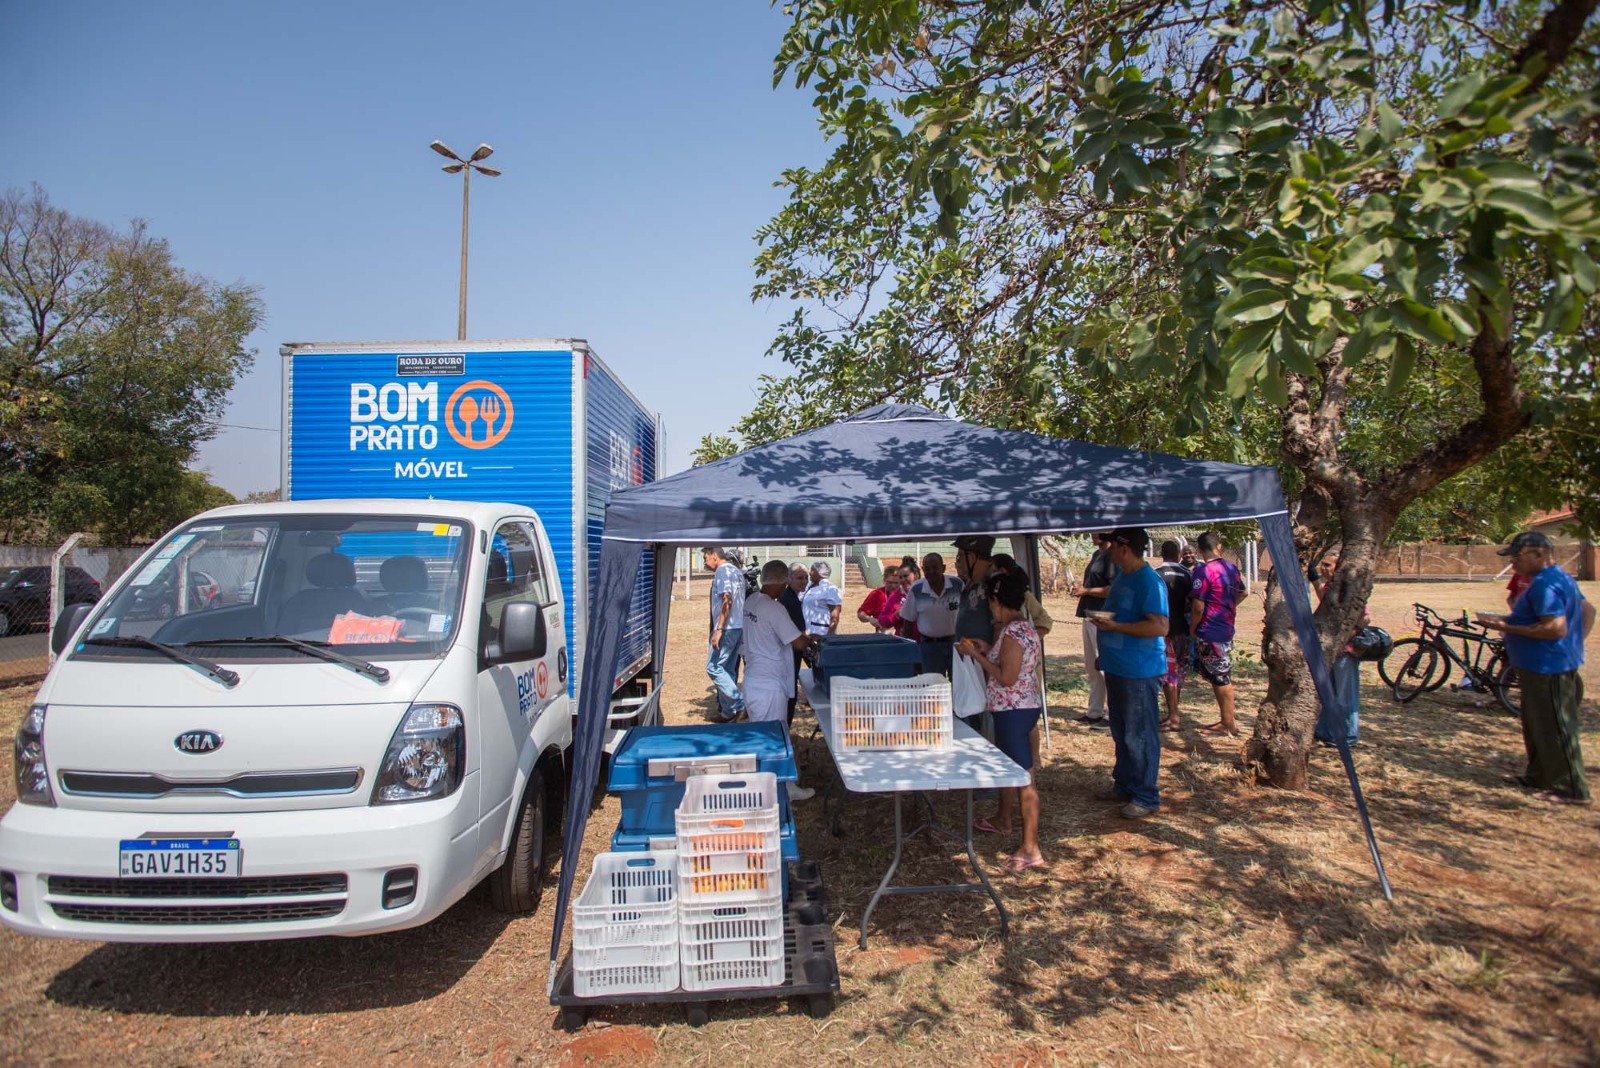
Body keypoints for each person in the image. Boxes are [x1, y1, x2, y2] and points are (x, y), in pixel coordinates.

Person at [1479, 532, 1594, 805]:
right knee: (1536, 725)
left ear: (1539, 554)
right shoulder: (1555, 578)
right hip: (1535, 666)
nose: (1513, 564)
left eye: (1518, 557)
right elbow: (1587, 610)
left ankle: (1571, 789)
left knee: (1556, 726)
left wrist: (1502, 626)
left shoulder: (1546, 584)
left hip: (1548, 666)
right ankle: (1539, 775)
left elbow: (1554, 628)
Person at [957, 569, 1045, 870]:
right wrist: (985, 648)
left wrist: (975, 655)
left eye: (991, 604)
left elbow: (1007, 677)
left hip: (1013, 711)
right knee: (1012, 769)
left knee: (1025, 779)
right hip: (1021, 706)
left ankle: (1031, 847)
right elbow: (1011, 664)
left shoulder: (1013, 633)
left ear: (997, 601)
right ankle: (1004, 819)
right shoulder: (1022, 628)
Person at [1090, 527, 1169, 819]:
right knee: (1121, 731)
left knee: (1140, 734)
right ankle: (1124, 783)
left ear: (1124, 549)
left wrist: (1116, 628)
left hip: (1139, 671)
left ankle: (1146, 796)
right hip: (1117, 666)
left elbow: (1160, 627)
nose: (1108, 550)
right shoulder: (1123, 576)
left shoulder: (1150, 582)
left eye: (1111, 546)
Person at [742, 560, 822, 800]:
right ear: (780, 582)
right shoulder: (774, 608)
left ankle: (769, 786)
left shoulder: (751, 601)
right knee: (774, 740)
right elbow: (796, 642)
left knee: (763, 737)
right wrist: (810, 637)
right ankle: (781, 790)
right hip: (769, 685)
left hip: (754, 680)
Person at [1189, 531, 1247, 737]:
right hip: (1226, 627)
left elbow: (1198, 606)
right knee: (1217, 676)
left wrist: (1193, 629)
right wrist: (1228, 606)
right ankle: (1226, 719)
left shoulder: (1203, 571)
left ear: (1199, 549)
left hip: (1210, 630)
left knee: (1222, 677)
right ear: (1219, 547)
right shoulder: (1231, 568)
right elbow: (1244, 591)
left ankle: (1229, 723)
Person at [1312, 552, 1364, 747]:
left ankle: (1347, 735)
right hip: (1330, 650)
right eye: (1322, 565)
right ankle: (1326, 731)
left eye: (1327, 565)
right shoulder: (1330, 588)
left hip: (1345, 651)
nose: (1323, 569)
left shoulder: (1348, 589)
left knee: (1345, 694)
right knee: (1328, 692)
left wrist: (1343, 640)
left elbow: (1362, 618)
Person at [952, 535, 999, 729]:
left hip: (988, 667)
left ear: (972, 556)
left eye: (960, 557)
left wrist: (992, 655)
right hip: (969, 664)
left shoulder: (996, 584)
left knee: (988, 724)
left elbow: (1003, 625)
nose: (957, 563)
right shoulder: (971, 583)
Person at [1075, 532, 1120, 728]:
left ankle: (1112, 715)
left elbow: (1112, 589)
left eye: (1096, 531)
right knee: (1091, 666)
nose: (1092, 534)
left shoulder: (1112, 556)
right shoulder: (1097, 554)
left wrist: (1086, 591)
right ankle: (1094, 711)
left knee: (1104, 665)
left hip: (1103, 616)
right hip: (1090, 614)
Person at [701, 546, 747, 723]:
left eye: (706, 557)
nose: (705, 562)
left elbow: (727, 599)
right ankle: (729, 712)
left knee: (713, 667)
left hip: (727, 627)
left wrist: (719, 629)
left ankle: (740, 704)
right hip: (738, 626)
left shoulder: (722, 571)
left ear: (714, 556)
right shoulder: (736, 571)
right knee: (727, 669)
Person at [899, 551, 962, 676]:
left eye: (935, 567)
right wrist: (912, 652)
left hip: (955, 644)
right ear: (923, 570)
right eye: (927, 569)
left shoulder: (957, 585)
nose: (931, 572)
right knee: (933, 688)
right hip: (929, 647)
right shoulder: (917, 589)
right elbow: (908, 623)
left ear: (943, 568)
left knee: (959, 684)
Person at [1154, 540, 1193, 731]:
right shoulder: (1188, 574)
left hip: (1164, 630)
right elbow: (1192, 602)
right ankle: (1172, 713)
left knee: (1168, 674)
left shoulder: (1155, 575)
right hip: (1183, 629)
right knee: (1179, 674)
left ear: (1161, 553)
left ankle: (1173, 717)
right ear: (1179, 554)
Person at [781, 563, 809, 723]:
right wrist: (811, 640)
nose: (804, 581)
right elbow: (799, 636)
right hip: (790, 654)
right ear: (789, 579)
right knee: (790, 694)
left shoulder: (792, 597)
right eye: (799, 578)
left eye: (806, 578)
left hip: (791, 653)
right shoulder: (790, 600)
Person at [857, 566, 906, 633]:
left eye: (896, 583)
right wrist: (870, 619)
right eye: (890, 582)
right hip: (883, 634)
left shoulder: (906, 594)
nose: (893, 586)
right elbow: (861, 614)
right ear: (884, 581)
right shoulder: (877, 594)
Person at [801, 561, 843, 636]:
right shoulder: (809, 586)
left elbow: (835, 613)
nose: (810, 573)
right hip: (807, 631)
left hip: (821, 633)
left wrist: (829, 636)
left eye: (813, 570)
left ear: (820, 573)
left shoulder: (830, 589)